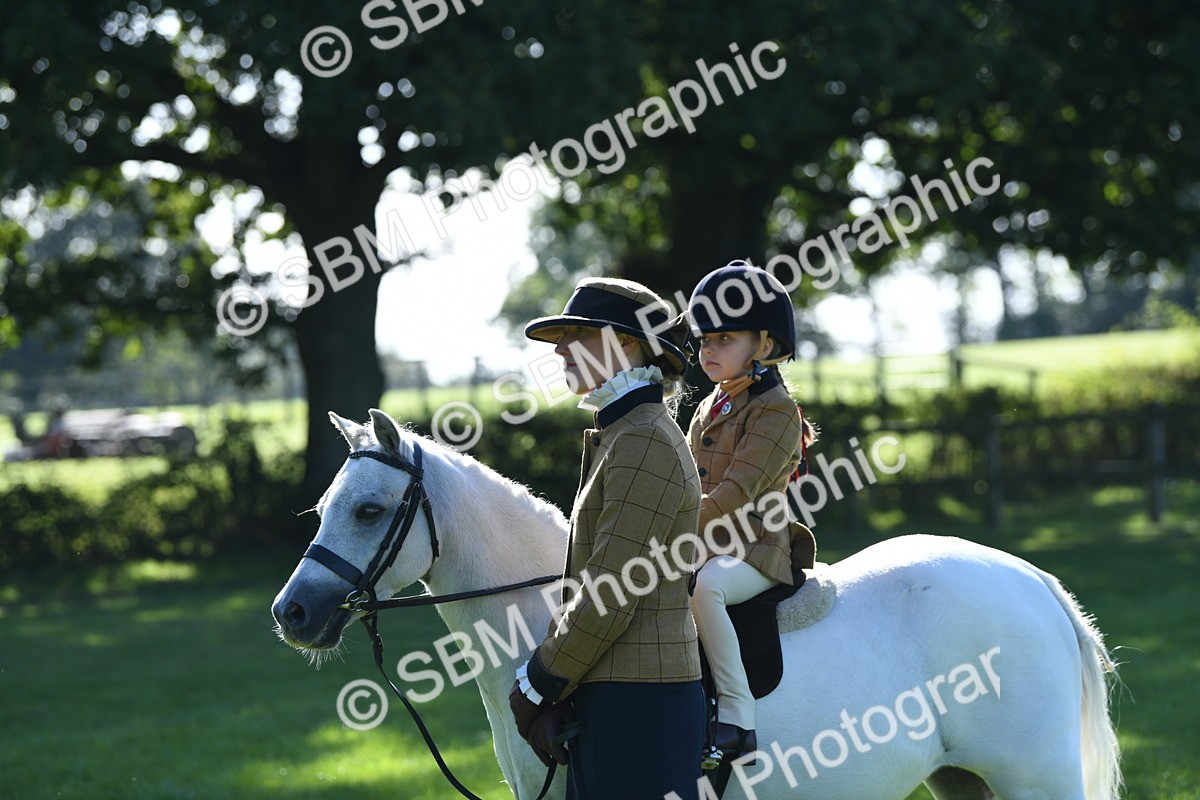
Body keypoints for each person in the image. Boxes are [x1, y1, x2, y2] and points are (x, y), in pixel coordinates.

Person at [509, 277, 706, 799]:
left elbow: (608, 594)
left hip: (642, 706)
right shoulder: (625, 432)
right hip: (618, 697)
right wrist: (559, 692)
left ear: (627, 342)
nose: (560, 348)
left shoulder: (642, 439)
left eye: (578, 334)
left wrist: (538, 683)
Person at [685, 261, 818, 758]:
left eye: (724, 339)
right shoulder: (709, 405)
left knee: (708, 587)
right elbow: (683, 477)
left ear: (763, 346)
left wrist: (671, 525)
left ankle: (738, 717)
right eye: (705, 340)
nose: (709, 350)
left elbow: (736, 493)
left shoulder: (777, 411)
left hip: (755, 551)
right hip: (702, 539)